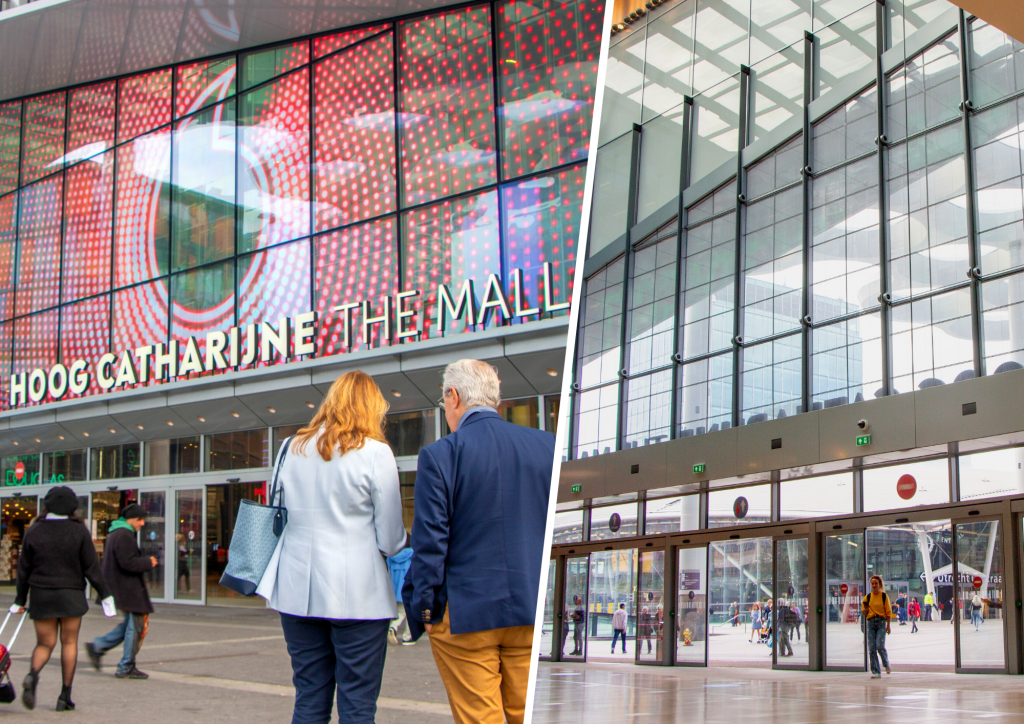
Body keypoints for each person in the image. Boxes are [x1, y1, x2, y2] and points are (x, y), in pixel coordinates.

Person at [403, 359, 555, 724]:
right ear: (495, 401)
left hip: (465, 614)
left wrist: (425, 611)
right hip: (530, 607)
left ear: (453, 397)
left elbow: (430, 545)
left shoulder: (440, 455)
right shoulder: (548, 446)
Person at [255, 371, 407, 724]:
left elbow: (278, 511)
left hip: (296, 593)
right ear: (371, 408)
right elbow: (390, 539)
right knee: (357, 705)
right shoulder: (376, 453)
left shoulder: (289, 448)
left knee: (309, 697)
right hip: (358, 596)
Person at [13, 486, 115, 711]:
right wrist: (106, 596)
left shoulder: (34, 530)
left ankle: (32, 675)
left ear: (47, 505)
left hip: (42, 594)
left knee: (44, 643)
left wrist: (19, 600)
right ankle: (64, 697)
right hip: (71, 595)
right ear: (72, 507)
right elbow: (92, 568)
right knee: (69, 643)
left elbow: (23, 570)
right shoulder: (79, 531)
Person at [85, 503, 158, 680]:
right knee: (135, 627)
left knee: (129, 626)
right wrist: (148, 562)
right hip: (128, 590)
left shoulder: (116, 533)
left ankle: (99, 646)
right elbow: (127, 562)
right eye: (140, 520)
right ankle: (125, 665)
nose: (142, 523)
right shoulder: (124, 535)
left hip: (121, 588)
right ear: (131, 519)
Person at [862, 575, 893, 679]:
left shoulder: (884, 596)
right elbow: (864, 612)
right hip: (871, 622)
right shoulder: (868, 597)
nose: (874, 585)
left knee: (880, 645)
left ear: (879, 584)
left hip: (881, 622)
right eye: (873, 584)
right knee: (871, 648)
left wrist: (888, 625)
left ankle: (886, 663)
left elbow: (888, 612)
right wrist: (865, 609)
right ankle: (876, 671)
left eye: (876, 583)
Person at [386, 544, 414, 645]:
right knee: (409, 612)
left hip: (395, 589)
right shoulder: (412, 554)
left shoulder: (391, 555)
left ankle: (406, 634)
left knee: (401, 611)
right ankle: (406, 635)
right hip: (408, 587)